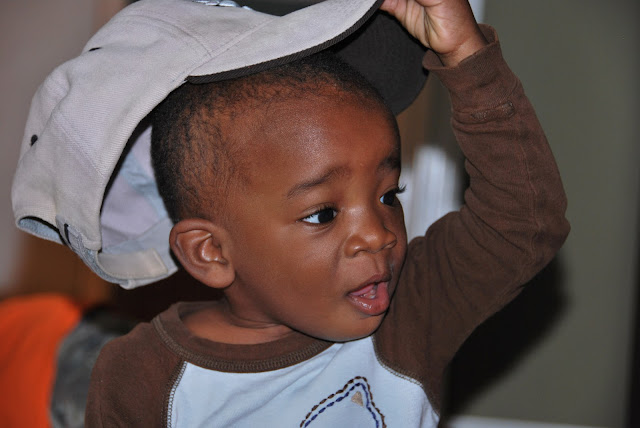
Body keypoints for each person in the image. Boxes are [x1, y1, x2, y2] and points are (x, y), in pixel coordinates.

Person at [78, 0, 567, 425]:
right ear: (211, 252)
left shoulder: (412, 313)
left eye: (388, 196)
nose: (377, 235)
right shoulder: (139, 377)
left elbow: (522, 222)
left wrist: (466, 57)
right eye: (323, 214)